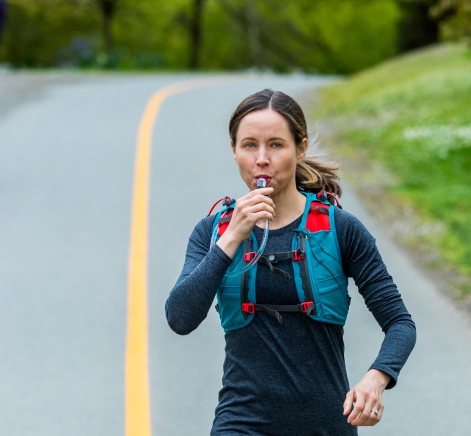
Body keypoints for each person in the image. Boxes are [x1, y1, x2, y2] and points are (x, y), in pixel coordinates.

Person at [165, 89, 416, 435]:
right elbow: (180, 318)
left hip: (326, 424)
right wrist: (232, 236)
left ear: (300, 149)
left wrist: (377, 379)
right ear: (234, 151)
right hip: (240, 423)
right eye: (250, 145)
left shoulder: (340, 229)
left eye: (276, 145)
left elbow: (401, 323)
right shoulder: (213, 231)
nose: (262, 159)